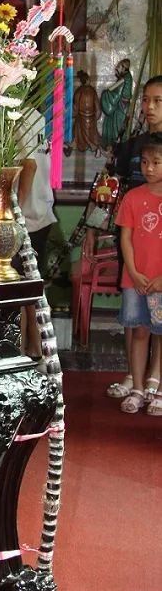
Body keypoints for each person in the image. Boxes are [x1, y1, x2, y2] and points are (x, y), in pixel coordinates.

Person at [105, 76, 162, 401]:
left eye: (157, 100)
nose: (149, 107)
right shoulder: (132, 145)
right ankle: (135, 375)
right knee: (134, 312)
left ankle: (156, 375)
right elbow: (117, 190)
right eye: (145, 100)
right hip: (133, 236)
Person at [114, 132, 162, 415]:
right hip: (136, 281)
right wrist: (132, 271)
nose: (149, 168)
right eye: (145, 162)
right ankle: (138, 389)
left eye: (156, 162)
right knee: (140, 331)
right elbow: (126, 239)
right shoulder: (133, 197)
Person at [16, 134, 56, 358]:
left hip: (27, 219)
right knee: (30, 288)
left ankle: (25, 351)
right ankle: (33, 349)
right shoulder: (39, 117)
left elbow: (29, 166)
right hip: (39, 213)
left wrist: (14, 211)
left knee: (22, 289)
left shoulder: (20, 119)